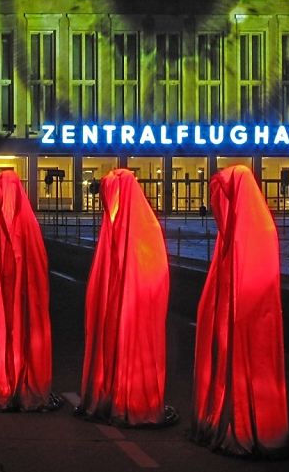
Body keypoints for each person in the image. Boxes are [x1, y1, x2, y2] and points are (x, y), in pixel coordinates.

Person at [191, 165, 289, 457]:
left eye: (225, 196)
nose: (219, 205)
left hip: (252, 321)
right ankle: (236, 417)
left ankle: (249, 422)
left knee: (251, 372)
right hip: (235, 319)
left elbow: (257, 282)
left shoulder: (256, 230)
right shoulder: (233, 232)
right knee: (233, 370)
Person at [78, 168, 174, 426]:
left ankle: (131, 395)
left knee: (132, 347)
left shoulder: (143, 230)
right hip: (119, 307)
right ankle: (114, 391)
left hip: (136, 310)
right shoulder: (114, 231)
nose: (109, 207)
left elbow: (151, 273)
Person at [0, 169, 57, 411]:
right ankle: (4, 379)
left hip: (18, 295)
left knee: (19, 329)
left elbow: (36, 265)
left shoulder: (21, 226)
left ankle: (12, 379)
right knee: (3, 329)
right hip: (2, 293)